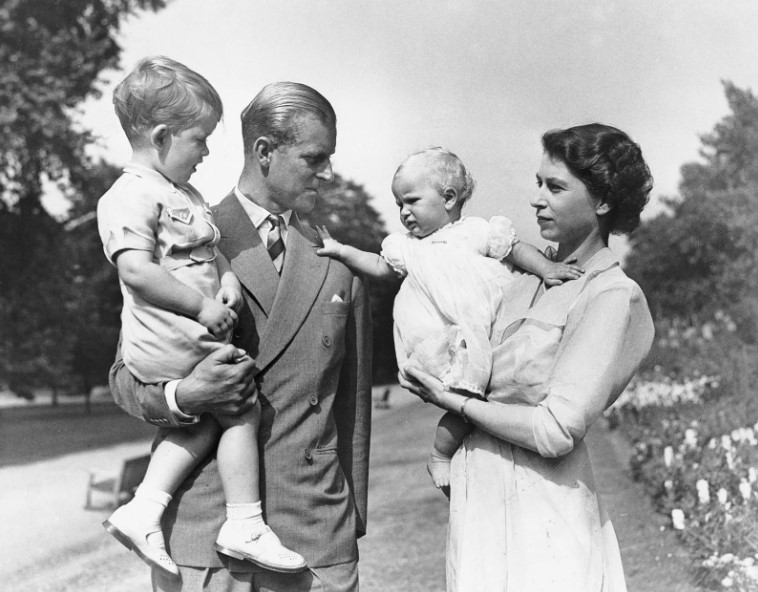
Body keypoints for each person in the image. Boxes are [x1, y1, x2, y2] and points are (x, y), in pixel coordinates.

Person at [108, 81, 372, 592]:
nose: (328, 172)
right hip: (203, 541)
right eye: (315, 157)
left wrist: (347, 524)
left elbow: (352, 407)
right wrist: (184, 395)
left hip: (315, 536)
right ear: (265, 151)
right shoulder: (175, 236)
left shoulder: (339, 262)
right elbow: (125, 377)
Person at [399, 124, 655, 591]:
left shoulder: (611, 295)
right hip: (478, 501)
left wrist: (453, 402)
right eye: (538, 184)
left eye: (555, 187)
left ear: (602, 201)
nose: (536, 200)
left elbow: (556, 430)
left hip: (545, 511)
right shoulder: (518, 280)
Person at [97, 57, 307, 578]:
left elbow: (208, 252)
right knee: (239, 405)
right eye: (200, 139)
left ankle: (144, 507)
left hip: (189, 336)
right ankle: (244, 522)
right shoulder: (128, 195)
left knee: (216, 414)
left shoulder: (184, 195)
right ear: (162, 137)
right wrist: (203, 306)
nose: (207, 152)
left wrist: (228, 279)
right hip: (168, 339)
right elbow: (136, 270)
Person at [316, 147, 583, 492]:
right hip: (441, 337)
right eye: (399, 204)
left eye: (412, 201)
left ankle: (499, 457)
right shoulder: (407, 247)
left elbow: (515, 250)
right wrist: (341, 250)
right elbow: (379, 267)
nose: (404, 212)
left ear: (448, 198)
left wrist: (546, 268)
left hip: (482, 330)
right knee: (464, 400)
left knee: (491, 396)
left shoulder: (477, 231)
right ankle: (440, 454)